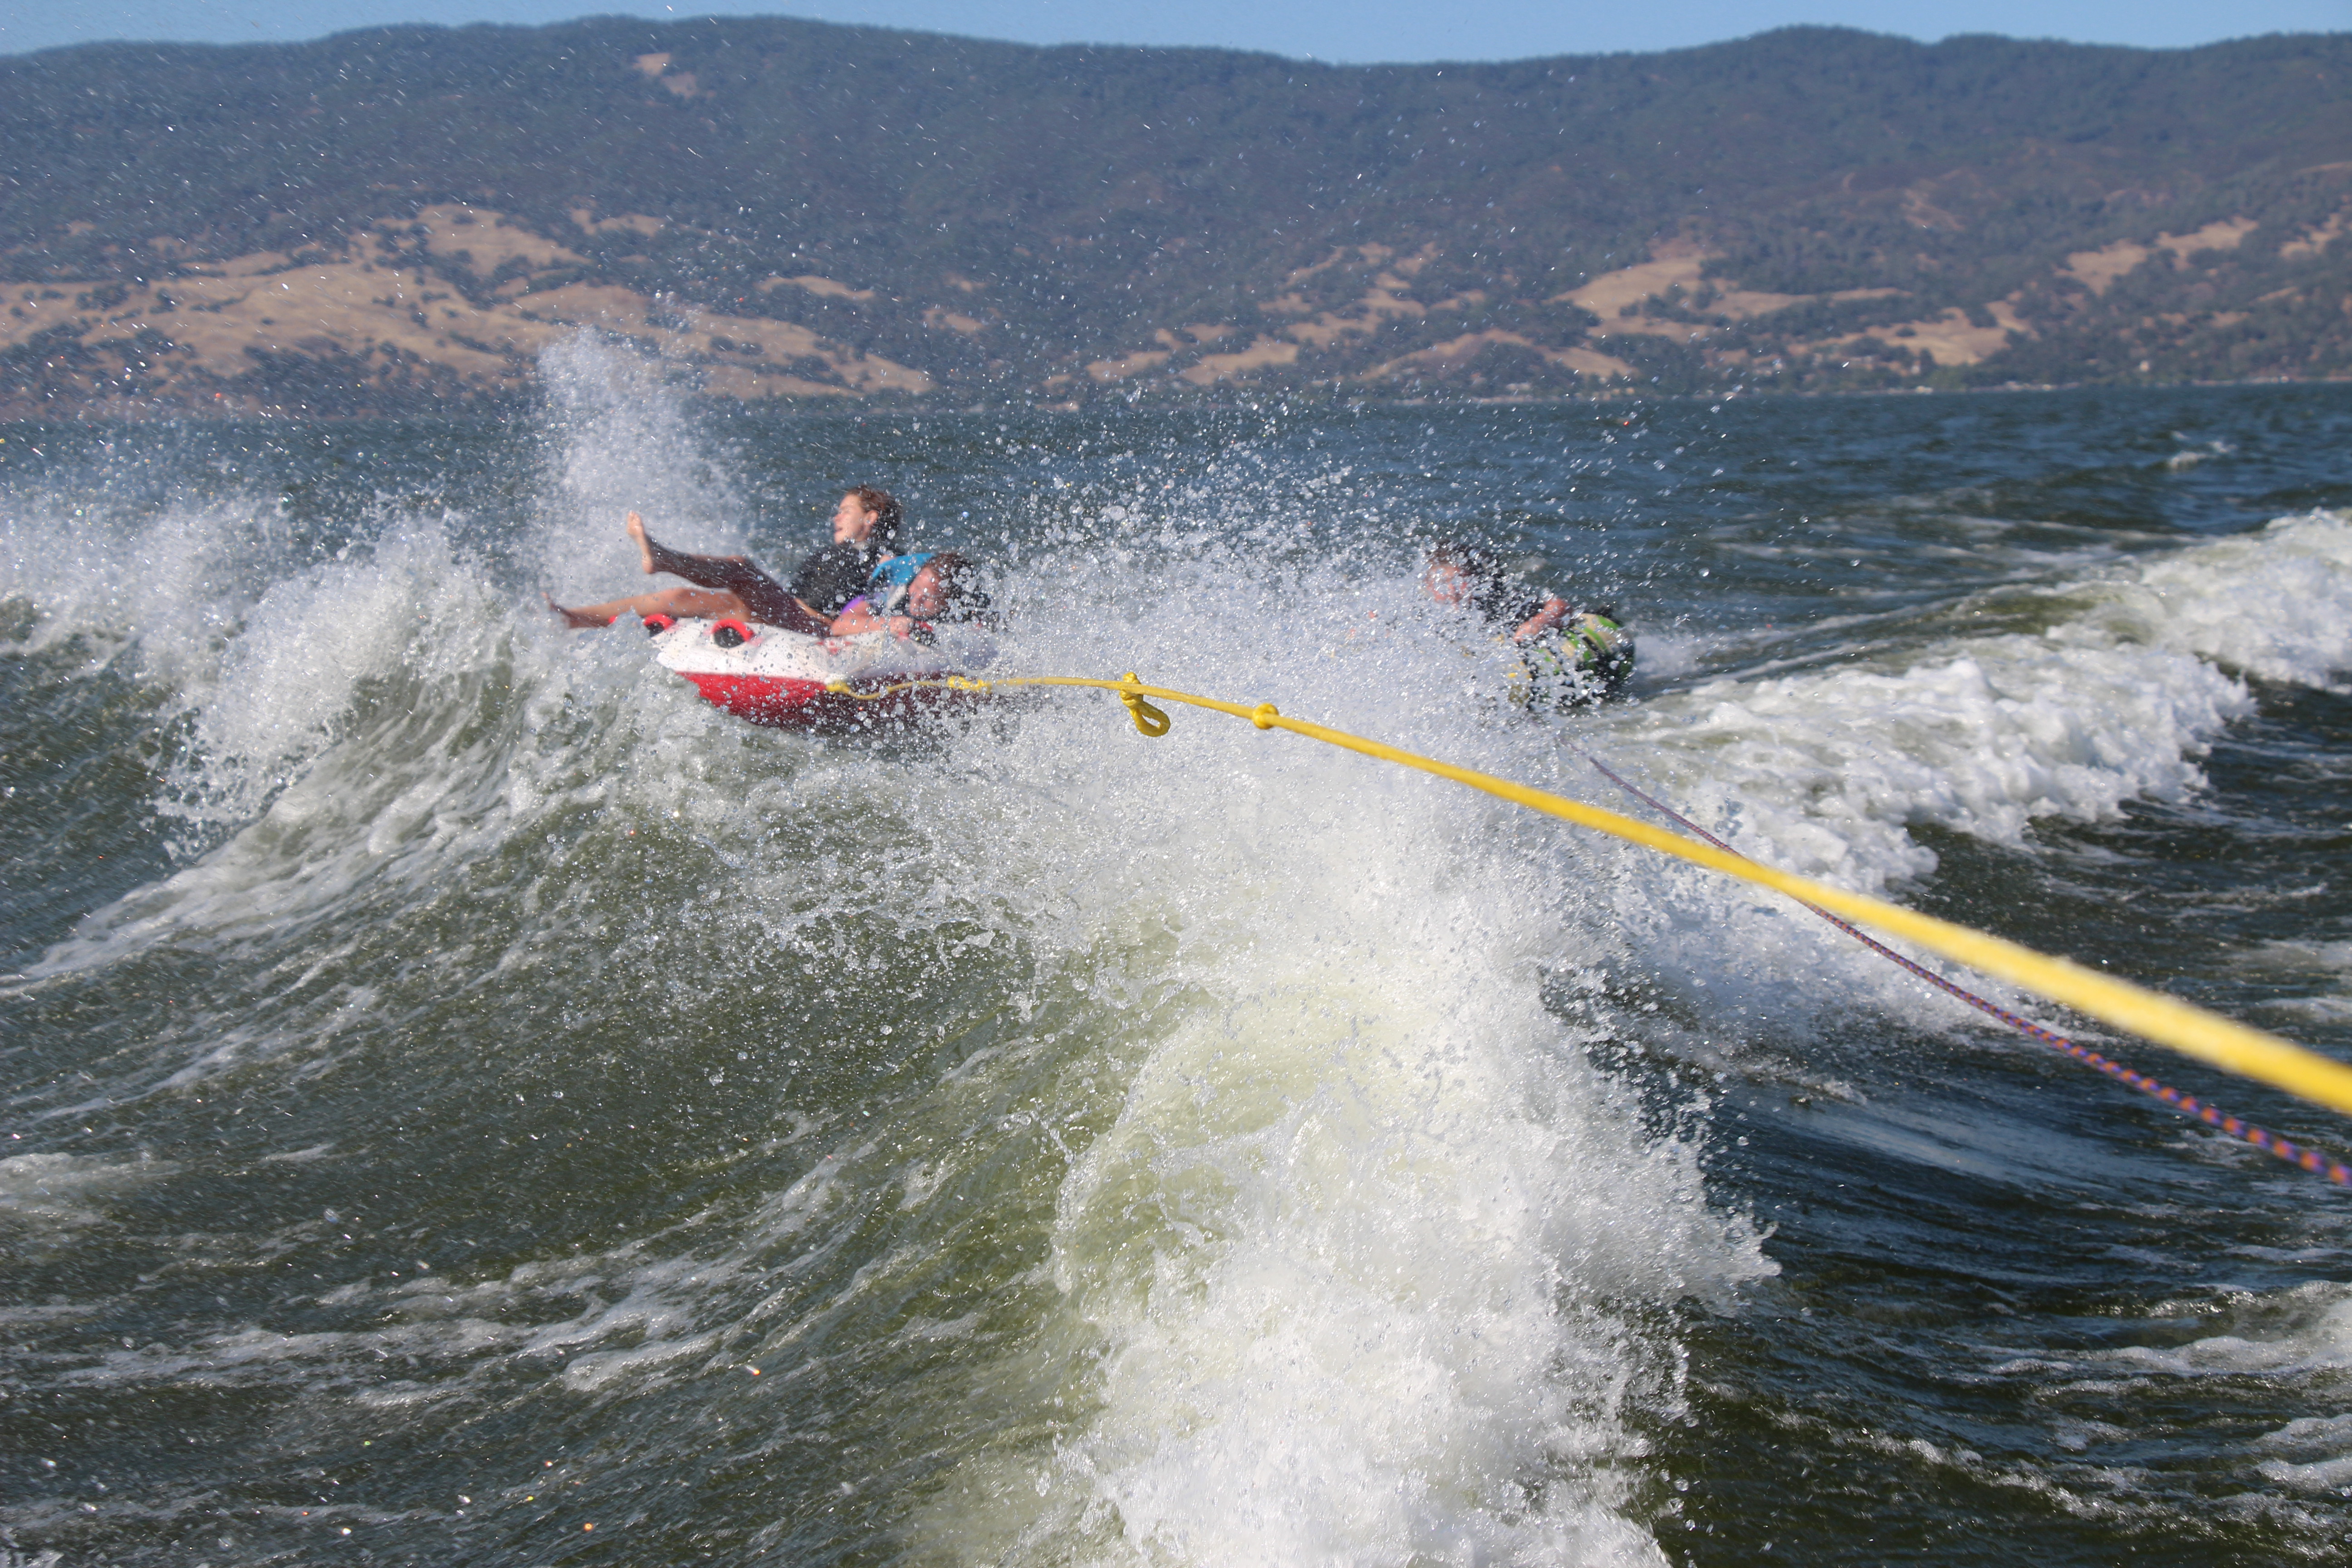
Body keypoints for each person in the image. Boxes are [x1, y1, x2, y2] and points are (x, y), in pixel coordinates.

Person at [548, 486, 904, 636]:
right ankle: (575, 618)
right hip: (787, 611)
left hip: (818, 627)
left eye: (845, 511)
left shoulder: (888, 560)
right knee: (681, 597)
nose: (836, 518)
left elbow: (884, 612)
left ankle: (662, 557)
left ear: (870, 518)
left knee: (741, 568)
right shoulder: (830, 555)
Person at [1422, 539, 1634, 706]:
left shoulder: (1496, 603)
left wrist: (1535, 625)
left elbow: (1560, 606)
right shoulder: (1422, 615)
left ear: (1475, 580)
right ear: (1428, 585)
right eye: (1441, 582)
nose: (1452, 590)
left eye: (1459, 580)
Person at [828, 550, 992, 642]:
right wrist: (890, 623)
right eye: (917, 587)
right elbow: (839, 626)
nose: (917, 598)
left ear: (948, 604)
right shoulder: (895, 593)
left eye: (928, 596)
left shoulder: (963, 615)